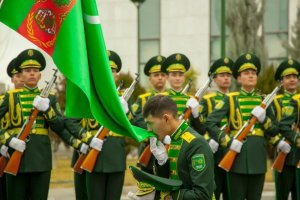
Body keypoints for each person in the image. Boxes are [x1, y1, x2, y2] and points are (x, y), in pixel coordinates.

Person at [0, 49, 82, 200]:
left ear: (40, 75)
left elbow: (59, 126)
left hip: (41, 159)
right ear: (21, 74)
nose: (31, 73)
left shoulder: (49, 98)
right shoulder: (10, 97)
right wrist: (8, 140)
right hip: (16, 156)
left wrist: (48, 110)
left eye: (35, 70)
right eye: (27, 70)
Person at [206, 53, 278, 200]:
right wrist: (228, 141)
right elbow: (210, 123)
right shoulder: (230, 99)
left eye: (253, 73)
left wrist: (264, 119)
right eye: (246, 73)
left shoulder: (264, 100)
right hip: (236, 158)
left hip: (257, 157)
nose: (251, 76)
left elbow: (275, 129)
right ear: (238, 79)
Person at [131, 95, 215, 199]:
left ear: (166, 118)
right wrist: (163, 162)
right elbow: (170, 182)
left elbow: (202, 195)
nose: (148, 129)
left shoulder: (196, 143)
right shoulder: (173, 139)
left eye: (150, 123)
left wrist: (161, 196)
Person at [198, 57, 233, 200]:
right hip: (214, 150)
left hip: (232, 148)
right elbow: (200, 124)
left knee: (232, 191)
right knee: (215, 189)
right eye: (222, 75)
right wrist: (207, 140)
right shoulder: (207, 100)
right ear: (214, 79)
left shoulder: (235, 98)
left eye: (228, 75)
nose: (226, 78)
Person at [276, 59, 300, 200]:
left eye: (294, 77)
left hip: (298, 154)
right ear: (281, 81)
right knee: (282, 194)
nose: (292, 80)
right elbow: (274, 126)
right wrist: (278, 142)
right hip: (283, 153)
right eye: (288, 77)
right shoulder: (275, 101)